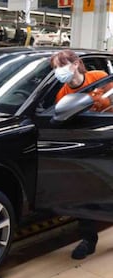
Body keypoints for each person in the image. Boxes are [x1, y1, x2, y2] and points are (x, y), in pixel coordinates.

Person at [50, 49, 109, 260]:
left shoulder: (100, 78)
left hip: (109, 137)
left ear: (76, 64)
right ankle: (88, 239)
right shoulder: (63, 94)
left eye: (61, 65)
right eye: (55, 67)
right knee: (84, 193)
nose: (58, 71)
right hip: (89, 146)